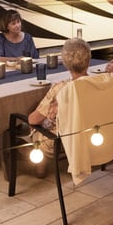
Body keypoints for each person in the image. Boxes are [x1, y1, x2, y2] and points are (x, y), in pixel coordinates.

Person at [27, 37, 90, 178]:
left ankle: (39, 163)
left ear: (66, 63)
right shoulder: (96, 83)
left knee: (31, 120)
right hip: (89, 137)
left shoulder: (61, 88)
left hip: (60, 144)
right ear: (89, 60)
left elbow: (33, 120)